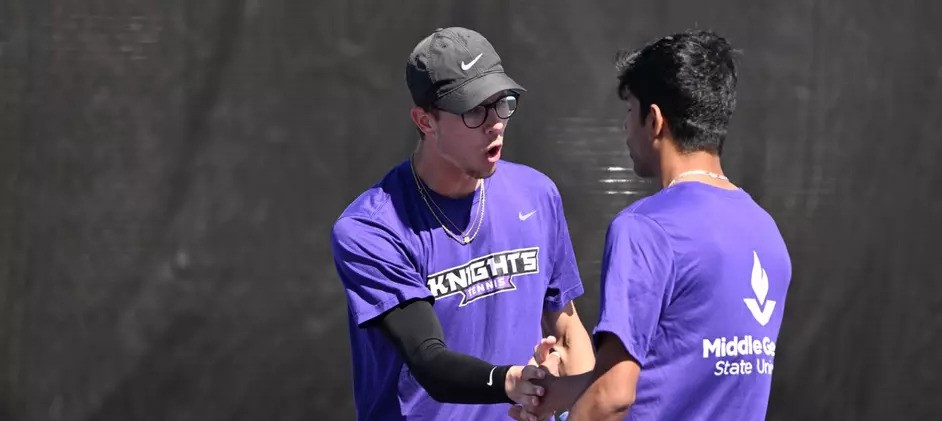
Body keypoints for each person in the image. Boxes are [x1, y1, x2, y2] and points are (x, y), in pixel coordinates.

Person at [512, 30, 793, 421]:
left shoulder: (644, 228)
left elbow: (613, 396)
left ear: (654, 120)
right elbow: (673, 372)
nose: (626, 128)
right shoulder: (767, 232)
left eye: (630, 111)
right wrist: (556, 394)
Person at [331, 27, 595, 421]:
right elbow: (428, 359)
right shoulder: (370, 229)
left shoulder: (537, 194)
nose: (496, 123)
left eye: (502, 102)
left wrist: (555, 394)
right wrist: (512, 382)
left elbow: (569, 330)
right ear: (425, 121)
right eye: (474, 110)